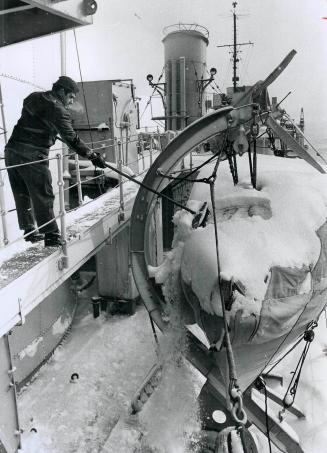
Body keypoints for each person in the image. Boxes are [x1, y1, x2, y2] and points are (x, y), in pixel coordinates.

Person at [4, 76, 106, 247]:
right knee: (44, 193)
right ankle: (51, 235)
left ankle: (29, 230)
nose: (71, 101)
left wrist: (48, 127)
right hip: (32, 154)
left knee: (22, 192)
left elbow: (31, 111)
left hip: (12, 152)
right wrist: (91, 156)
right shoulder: (58, 109)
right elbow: (71, 139)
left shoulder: (34, 97)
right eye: (71, 97)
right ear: (61, 91)